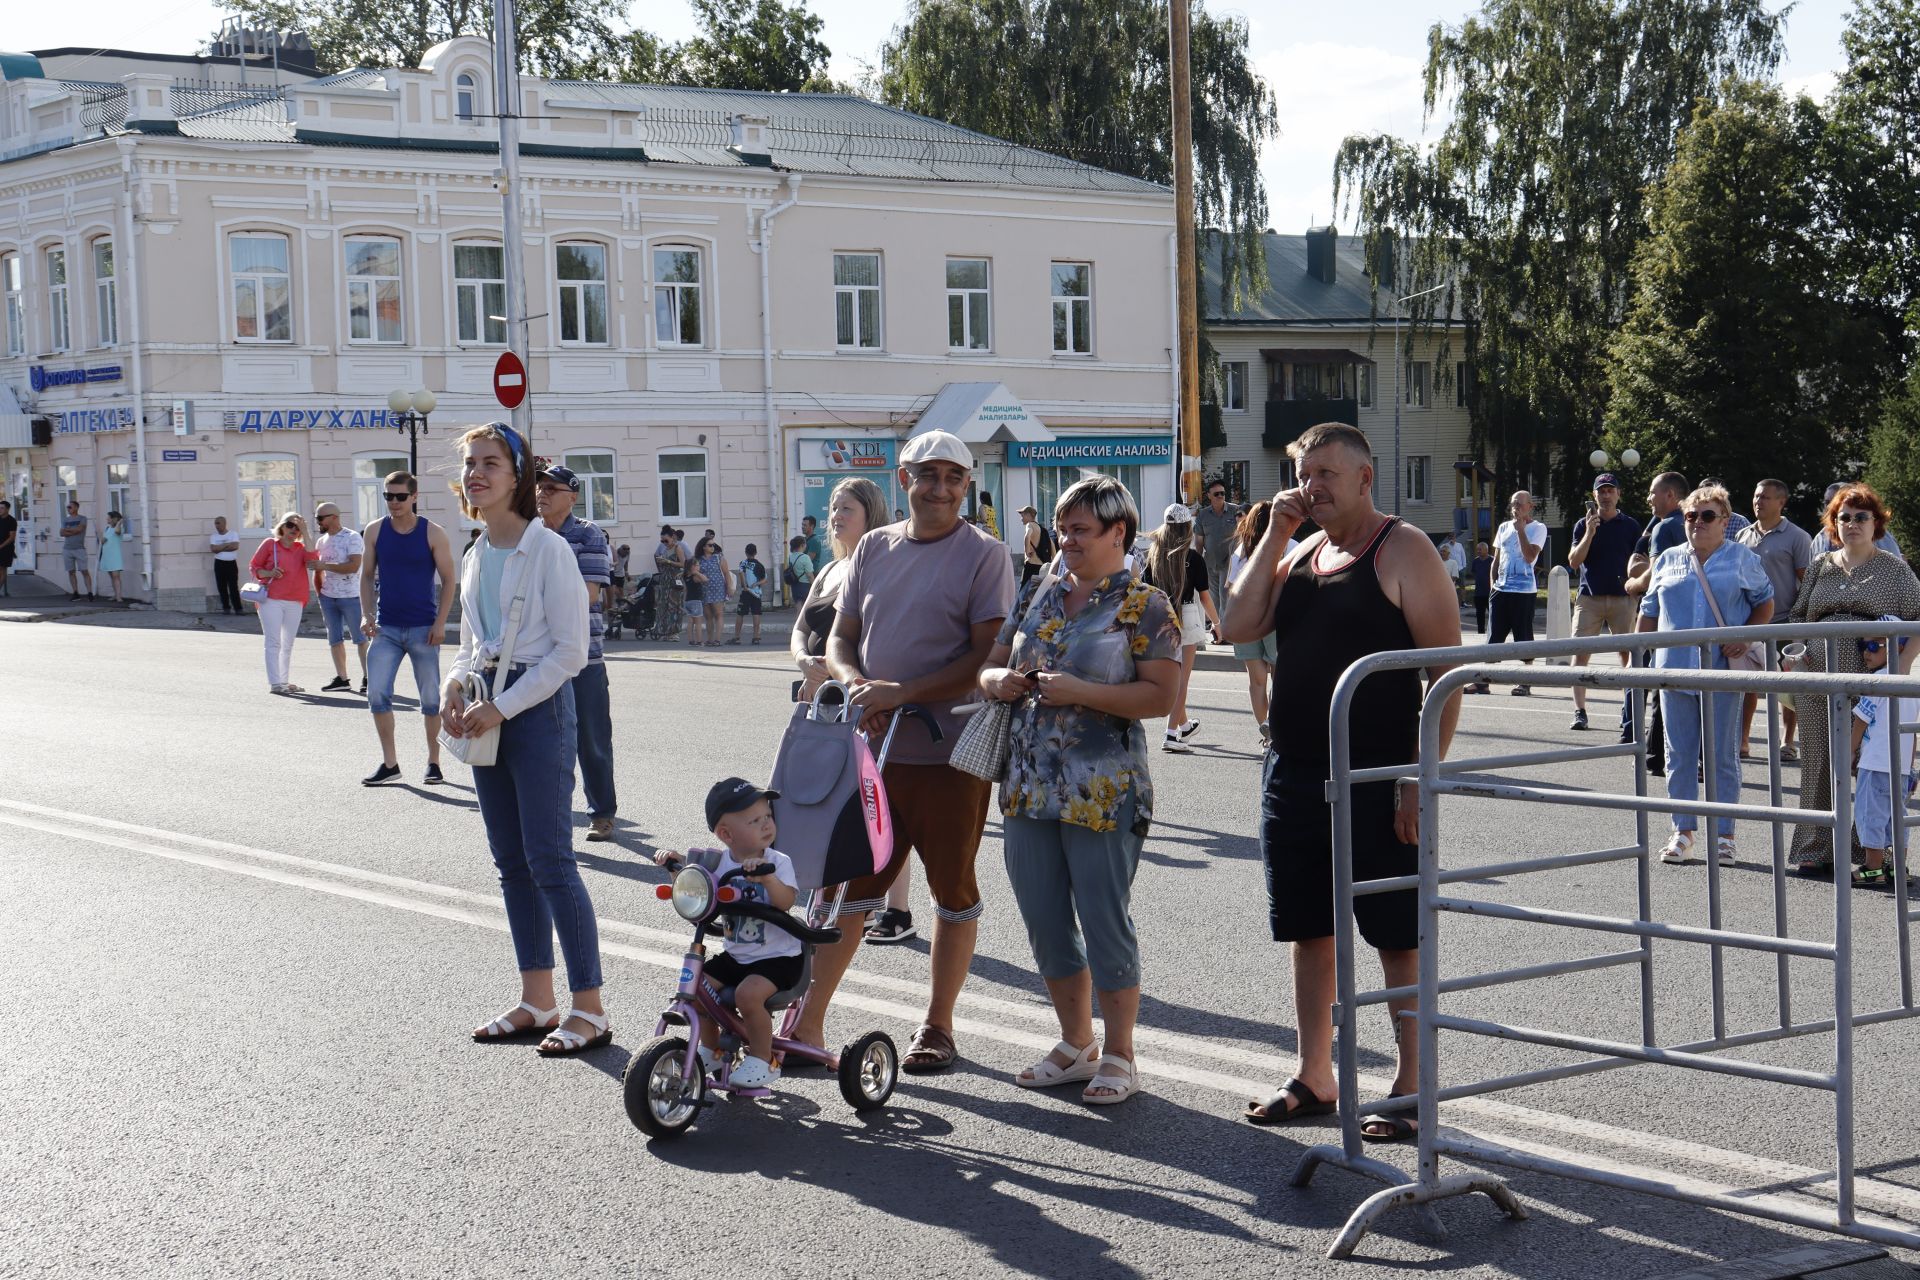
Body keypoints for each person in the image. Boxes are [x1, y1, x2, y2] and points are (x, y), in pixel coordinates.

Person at [1218, 421, 1463, 1138]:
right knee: (1308, 928)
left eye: (1327, 472)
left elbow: (1447, 674)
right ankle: (1315, 1074)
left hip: (1379, 775)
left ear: (1365, 477)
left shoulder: (1403, 548)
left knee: (1395, 935)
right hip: (1294, 771)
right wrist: (1274, 534)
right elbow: (1237, 625)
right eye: (1303, 472)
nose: (1311, 484)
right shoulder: (1299, 552)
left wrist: (1419, 778)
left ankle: (1414, 1086)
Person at [785, 429, 1015, 1072]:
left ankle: (938, 1027)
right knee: (848, 888)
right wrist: (859, 686)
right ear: (904, 477)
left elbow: (982, 657)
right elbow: (842, 637)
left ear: (966, 485)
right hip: (870, 754)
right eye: (926, 475)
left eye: (952, 477)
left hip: (949, 756)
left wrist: (902, 693)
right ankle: (808, 1022)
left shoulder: (985, 555)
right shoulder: (876, 549)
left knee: (952, 892)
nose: (938, 488)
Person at [976, 476, 1181, 1104]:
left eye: (1080, 531)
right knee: (1043, 918)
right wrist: (997, 681)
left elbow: (1162, 697)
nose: (1066, 542)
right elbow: (989, 661)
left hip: (1104, 792)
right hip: (1028, 783)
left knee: (1102, 919)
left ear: (1119, 532)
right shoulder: (1040, 589)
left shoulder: (1146, 605)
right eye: (1062, 529)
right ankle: (1074, 1043)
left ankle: (1120, 1052)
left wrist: (1079, 691)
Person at [444, 423, 604, 1056]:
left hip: (537, 714)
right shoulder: (478, 551)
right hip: (492, 712)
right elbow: (469, 644)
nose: (476, 474)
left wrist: (501, 708)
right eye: (469, 465)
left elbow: (569, 655)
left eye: (490, 463)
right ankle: (538, 1000)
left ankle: (588, 1008)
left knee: (551, 862)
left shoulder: (549, 551)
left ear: (519, 475)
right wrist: (458, 688)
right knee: (512, 865)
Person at [785, 477, 922, 945]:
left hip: (861, 700)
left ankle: (895, 909)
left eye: (847, 508)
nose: (836, 516)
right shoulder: (827, 571)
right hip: (822, 702)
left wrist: (852, 681)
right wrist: (806, 662)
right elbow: (802, 627)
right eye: (833, 509)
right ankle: (835, 895)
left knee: (874, 802)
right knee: (827, 797)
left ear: (871, 514)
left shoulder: (879, 565)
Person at [1635, 483, 1775, 866]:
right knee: (1677, 755)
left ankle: (1724, 834)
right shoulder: (1666, 559)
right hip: (1673, 670)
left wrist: (1743, 638)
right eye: (1690, 516)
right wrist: (1636, 656)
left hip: (1720, 673)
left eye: (1707, 515)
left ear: (1725, 520)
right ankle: (1683, 830)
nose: (1697, 522)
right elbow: (1648, 611)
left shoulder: (1741, 558)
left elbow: (1765, 603)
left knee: (1722, 757)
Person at [1787, 485, 1920, 876]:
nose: (1852, 524)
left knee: (1873, 766)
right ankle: (1816, 847)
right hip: (1817, 675)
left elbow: (1918, 623)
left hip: (1872, 681)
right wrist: (1795, 652)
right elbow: (1798, 616)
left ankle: (1874, 852)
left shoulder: (1895, 569)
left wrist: (1898, 668)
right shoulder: (1820, 565)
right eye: (1844, 517)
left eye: (1861, 517)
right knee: (1818, 761)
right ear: (1833, 524)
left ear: (1876, 523)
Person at [653, 778, 800, 1089]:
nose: (766, 825)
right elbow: (697, 887)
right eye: (755, 820)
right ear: (726, 835)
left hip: (779, 959)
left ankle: (764, 1059)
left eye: (768, 817)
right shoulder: (718, 865)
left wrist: (767, 880)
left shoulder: (777, 861)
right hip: (738, 957)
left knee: (748, 994)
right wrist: (675, 866)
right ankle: (714, 1049)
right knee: (697, 991)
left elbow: (786, 901)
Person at [358, 470, 458, 787]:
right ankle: (390, 764)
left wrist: (440, 623)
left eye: (400, 496)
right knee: (377, 695)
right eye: (388, 496)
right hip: (386, 628)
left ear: (414, 497)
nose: (394, 502)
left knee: (430, 700)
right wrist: (365, 614)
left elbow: (449, 580)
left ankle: (433, 762)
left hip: (423, 629)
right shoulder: (375, 531)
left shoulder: (433, 533)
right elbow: (365, 576)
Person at [536, 463, 617, 842]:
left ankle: (601, 813)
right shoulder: (528, 532)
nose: (543, 494)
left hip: (583, 657)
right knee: (541, 743)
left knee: (592, 740)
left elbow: (588, 594)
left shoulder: (588, 535)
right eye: (540, 487)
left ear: (573, 496)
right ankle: (551, 817)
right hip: (535, 655)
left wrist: (536, 600)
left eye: (553, 488)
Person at [1736, 479, 1813, 760]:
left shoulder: (1797, 537)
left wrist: (1801, 623)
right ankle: (1743, 741)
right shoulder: (1743, 536)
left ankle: (1787, 742)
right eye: (1756, 496)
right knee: (1747, 684)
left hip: (1784, 622)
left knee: (1787, 685)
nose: (1758, 502)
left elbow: (1807, 582)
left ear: (1782, 502)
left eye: (1766, 497)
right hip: (1750, 623)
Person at [1140, 504, 1221, 753]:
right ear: (1188, 528)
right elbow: (1205, 598)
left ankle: (1183, 725)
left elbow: (1146, 593)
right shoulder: (1193, 558)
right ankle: (1171, 734)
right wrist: (1217, 624)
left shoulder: (1152, 555)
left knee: (1175, 677)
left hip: (1158, 619)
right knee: (1182, 680)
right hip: (1185, 617)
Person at [1565, 474, 1642, 729]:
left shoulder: (1630, 526)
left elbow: (1641, 562)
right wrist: (1590, 532)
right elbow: (1574, 562)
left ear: (1618, 494)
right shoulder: (1582, 524)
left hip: (1623, 599)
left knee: (1628, 656)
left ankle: (1629, 711)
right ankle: (1580, 711)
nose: (1606, 495)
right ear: (1594, 495)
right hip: (1590, 599)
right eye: (1601, 491)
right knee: (1580, 654)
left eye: (1610, 490)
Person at [1849, 625, 1918, 889]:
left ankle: (1873, 868)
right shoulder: (1909, 682)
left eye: (1873, 646)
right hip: (1899, 766)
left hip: (1875, 763)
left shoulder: (1877, 680)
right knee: (1896, 817)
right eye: (1863, 646)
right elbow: (1911, 731)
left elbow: (1860, 721)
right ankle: (1897, 867)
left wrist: (1849, 752)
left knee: (1870, 815)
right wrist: (1910, 767)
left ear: (1897, 647)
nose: (1866, 652)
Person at [1225, 501, 1297, 749]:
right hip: (1275, 619)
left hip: (1245, 620)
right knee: (1280, 678)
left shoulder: (1241, 551)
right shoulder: (1291, 547)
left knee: (1256, 680)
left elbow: (1229, 587)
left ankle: (1267, 732)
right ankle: (1276, 731)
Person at [1470, 491, 1546, 695]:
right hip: (1501, 590)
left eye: (1520, 504)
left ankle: (1525, 681)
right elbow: (1496, 559)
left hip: (1523, 592)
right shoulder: (1503, 527)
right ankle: (1483, 681)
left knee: (1523, 636)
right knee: (1493, 637)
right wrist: (1493, 585)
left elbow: (1530, 557)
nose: (1516, 508)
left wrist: (1521, 530)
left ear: (1530, 506)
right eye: (1513, 504)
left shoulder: (1538, 528)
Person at [249, 512, 320, 694]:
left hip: (295, 600)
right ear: (281, 526)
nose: (293, 530)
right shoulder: (270, 544)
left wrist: (306, 530)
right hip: (271, 599)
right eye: (290, 525)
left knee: (288, 642)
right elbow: (254, 567)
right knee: (273, 641)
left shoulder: (301, 548)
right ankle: (275, 683)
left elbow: (313, 560)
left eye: (298, 527)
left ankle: (284, 681)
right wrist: (269, 573)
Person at [311, 503, 367, 694]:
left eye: (320, 518)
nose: (318, 522)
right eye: (316, 518)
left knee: (360, 638)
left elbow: (353, 566)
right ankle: (342, 679)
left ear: (334, 517)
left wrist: (325, 566)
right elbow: (316, 567)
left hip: (351, 595)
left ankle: (368, 678)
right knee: (334, 639)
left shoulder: (351, 537)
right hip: (328, 596)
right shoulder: (322, 541)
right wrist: (319, 591)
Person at [1810, 482, 1904, 559]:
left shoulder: (1882, 538)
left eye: (1861, 518)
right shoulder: (1820, 539)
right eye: (1827, 502)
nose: (1830, 507)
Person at [1193, 479, 1242, 602]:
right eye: (1216, 494)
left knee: (1225, 596)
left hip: (1229, 563)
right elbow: (1199, 541)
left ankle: (1224, 621)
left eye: (1222, 493)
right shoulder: (1203, 515)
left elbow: (1245, 533)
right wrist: (1199, 562)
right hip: (1210, 563)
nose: (1220, 496)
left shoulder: (1236, 511)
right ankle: (1218, 621)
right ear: (1209, 495)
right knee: (1213, 598)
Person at [691, 535, 730, 646]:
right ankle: (710, 639)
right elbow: (694, 573)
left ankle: (717, 640)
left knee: (718, 614)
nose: (713, 547)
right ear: (703, 547)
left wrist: (729, 588)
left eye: (713, 545)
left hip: (718, 589)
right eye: (710, 545)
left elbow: (726, 573)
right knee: (708, 616)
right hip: (704, 590)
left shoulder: (719, 558)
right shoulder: (698, 559)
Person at [729, 542, 766, 644]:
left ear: (746, 552)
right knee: (756, 613)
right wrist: (757, 583)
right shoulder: (759, 565)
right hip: (757, 593)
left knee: (740, 613)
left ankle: (737, 637)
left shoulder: (743, 563)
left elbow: (741, 573)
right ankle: (756, 637)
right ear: (756, 553)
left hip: (746, 592)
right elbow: (764, 580)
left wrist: (744, 586)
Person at [653, 525, 686, 638]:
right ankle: (664, 630)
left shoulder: (678, 548)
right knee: (663, 605)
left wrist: (668, 562)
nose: (664, 543)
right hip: (665, 580)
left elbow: (683, 564)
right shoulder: (665, 549)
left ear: (673, 537)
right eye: (662, 541)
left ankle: (674, 632)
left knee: (674, 606)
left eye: (666, 540)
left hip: (674, 581)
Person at [60, 501, 92, 601]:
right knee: (71, 571)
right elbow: (61, 532)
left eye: (70, 507)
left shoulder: (82, 518)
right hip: (67, 549)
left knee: (84, 570)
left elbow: (80, 530)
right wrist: (73, 530)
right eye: (67, 507)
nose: (68, 509)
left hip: (79, 548)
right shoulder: (65, 519)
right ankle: (75, 592)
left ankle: (90, 592)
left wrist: (68, 530)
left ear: (76, 508)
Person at [209, 516, 242, 613]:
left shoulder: (233, 534)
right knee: (221, 586)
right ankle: (226, 608)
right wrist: (226, 545)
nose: (216, 526)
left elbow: (235, 546)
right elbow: (213, 549)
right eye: (215, 523)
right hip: (219, 563)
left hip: (231, 563)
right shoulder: (213, 536)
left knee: (233, 587)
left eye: (218, 523)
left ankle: (238, 609)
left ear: (224, 523)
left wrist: (219, 548)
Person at [98, 510, 126, 603]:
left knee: (116, 576)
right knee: (112, 577)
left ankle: (119, 596)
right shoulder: (107, 528)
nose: (107, 519)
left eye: (109, 518)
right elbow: (103, 541)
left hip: (115, 555)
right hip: (107, 555)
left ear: (114, 519)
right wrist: (100, 536)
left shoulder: (119, 528)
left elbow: (117, 532)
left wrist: (119, 522)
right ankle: (115, 595)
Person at [1019, 503, 1050, 583]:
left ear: (1028, 515)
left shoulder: (1029, 525)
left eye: (1022, 516)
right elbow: (1051, 544)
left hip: (1031, 563)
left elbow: (1027, 535)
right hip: (1041, 564)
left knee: (1024, 589)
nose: (1021, 519)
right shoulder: (1041, 528)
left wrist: (1027, 551)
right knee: (1035, 589)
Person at [785, 534, 815, 608]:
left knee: (799, 606)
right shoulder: (805, 557)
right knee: (806, 608)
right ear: (802, 545)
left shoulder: (790, 557)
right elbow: (809, 575)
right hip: (805, 586)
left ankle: (798, 619)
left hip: (794, 585)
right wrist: (814, 585)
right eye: (805, 544)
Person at [1470, 540, 1492, 634]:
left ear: (1486, 550)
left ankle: (1493, 632)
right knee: (1480, 615)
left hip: (1490, 592)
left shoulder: (1492, 560)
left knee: (1493, 615)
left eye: (1480, 549)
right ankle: (1481, 633)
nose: (1478, 551)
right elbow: (1474, 572)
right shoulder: (1476, 561)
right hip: (1478, 593)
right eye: (1477, 549)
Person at [0, 499, 16, 598]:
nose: (0, 510)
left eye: (2, 508)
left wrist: (1, 546)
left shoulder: (11, 521)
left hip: (6, 548)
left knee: (2, 569)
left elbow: (11, 537)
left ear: (7, 509)